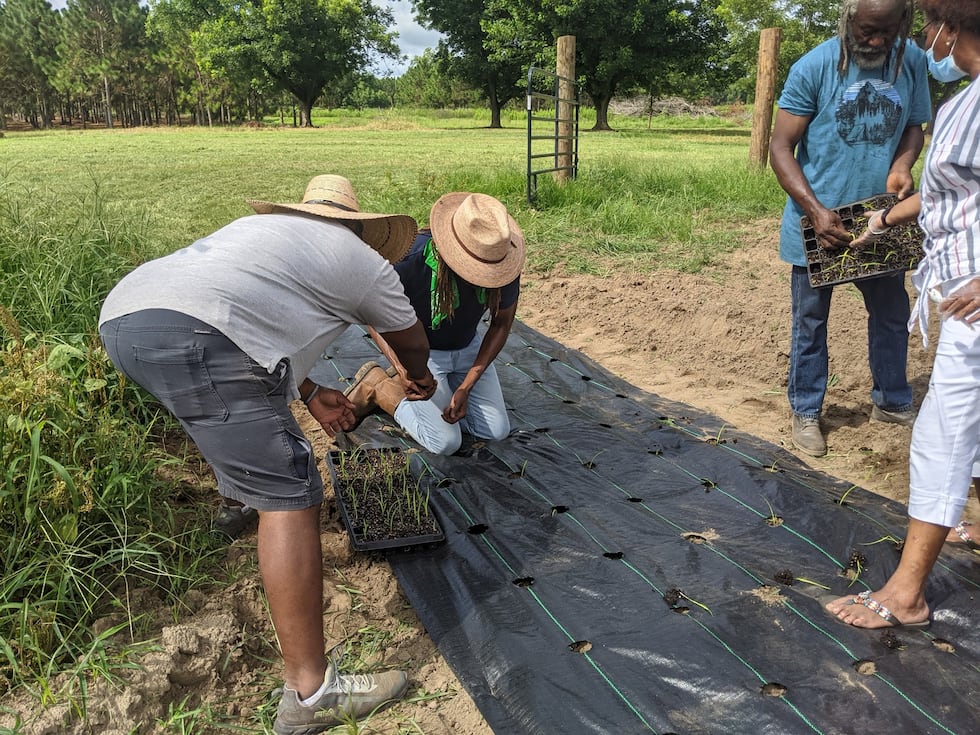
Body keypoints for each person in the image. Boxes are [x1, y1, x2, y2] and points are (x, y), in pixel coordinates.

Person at [98, 175, 437, 733]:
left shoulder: (263, 233)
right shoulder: (365, 263)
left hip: (127, 319)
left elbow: (248, 317)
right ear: (360, 230)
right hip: (198, 333)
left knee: (222, 407)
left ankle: (237, 503)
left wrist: (309, 390)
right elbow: (412, 341)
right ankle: (311, 694)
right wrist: (418, 378)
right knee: (292, 489)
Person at [827, 0, 980, 628]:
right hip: (958, 283)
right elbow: (952, 193)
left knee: (944, 429)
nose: (927, 42)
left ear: (951, 27)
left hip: (975, 301)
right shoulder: (966, 99)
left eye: (930, 28)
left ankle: (907, 594)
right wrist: (885, 218)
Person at [769, 0, 931, 458]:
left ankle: (891, 402)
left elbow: (914, 126)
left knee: (891, 314)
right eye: (866, 31)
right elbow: (780, 147)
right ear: (848, 20)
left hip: (880, 218)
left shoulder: (911, 60)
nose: (876, 41)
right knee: (810, 323)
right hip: (820, 223)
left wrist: (901, 165)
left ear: (903, 24)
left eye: (886, 32)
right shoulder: (814, 66)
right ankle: (806, 411)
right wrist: (815, 211)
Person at [344, 192, 526, 455]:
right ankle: (380, 387)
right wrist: (403, 368)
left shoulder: (501, 263)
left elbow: (501, 324)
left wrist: (466, 386)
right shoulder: (408, 260)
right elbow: (375, 317)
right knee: (445, 443)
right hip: (420, 354)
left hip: (467, 346)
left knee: (495, 431)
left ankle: (446, 391)